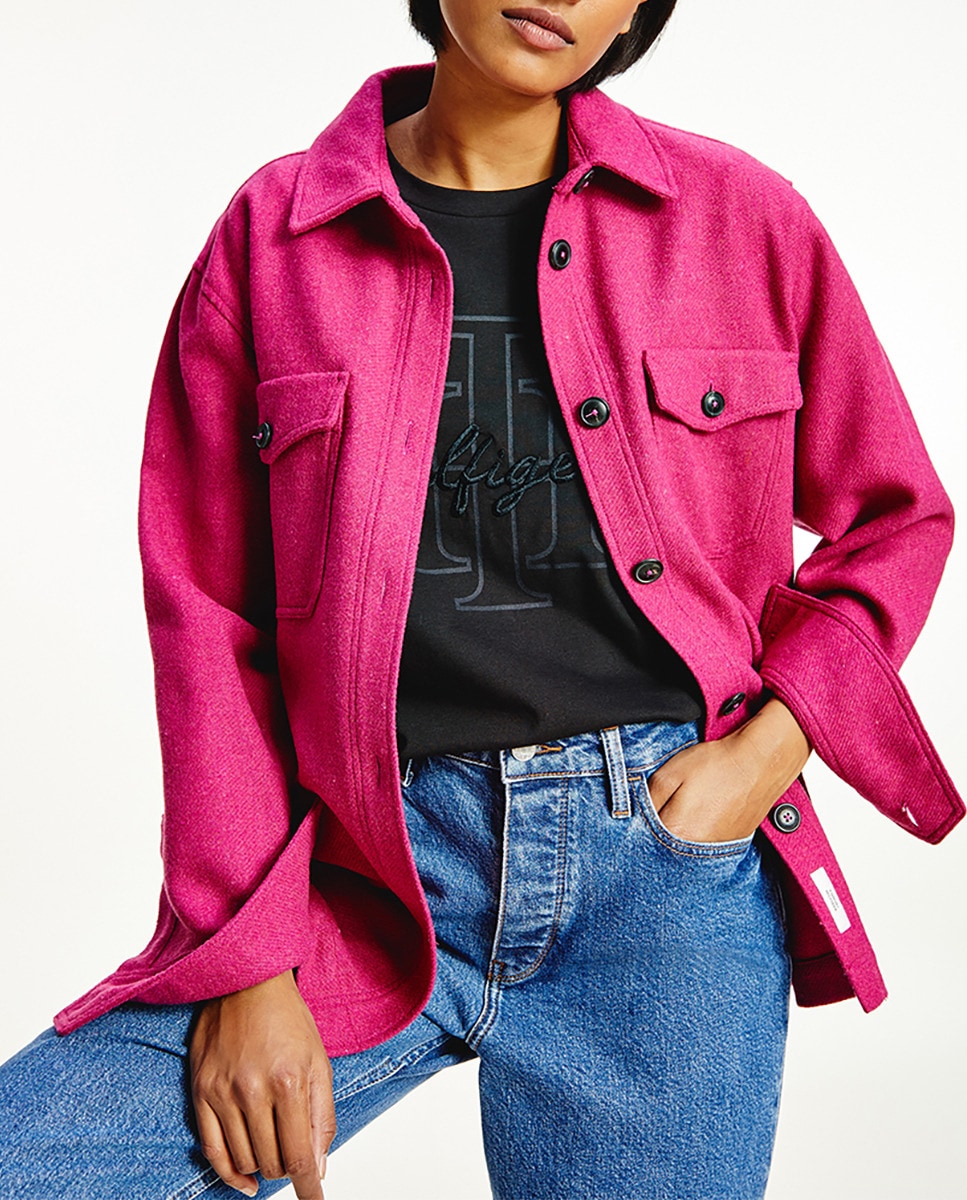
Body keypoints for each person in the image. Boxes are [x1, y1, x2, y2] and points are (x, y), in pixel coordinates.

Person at [0, 1, 962, 1198]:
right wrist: (247, 962)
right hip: (367, 865)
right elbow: (206, 613)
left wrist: (763, 755)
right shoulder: (277, 235)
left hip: (662, 878)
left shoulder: (739, 218)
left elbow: (897, 516)